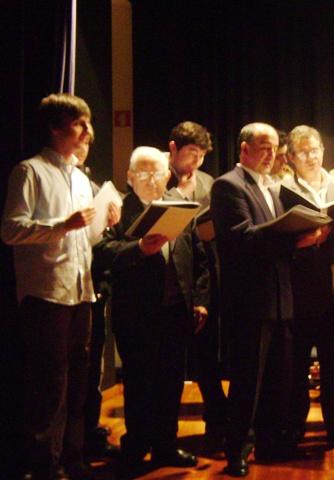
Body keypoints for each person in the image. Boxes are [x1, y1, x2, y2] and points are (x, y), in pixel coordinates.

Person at [211, 123, 326, 477]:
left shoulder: (271, 189)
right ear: (243, 149)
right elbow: (240, 239)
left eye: (275, 148)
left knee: (280, 377)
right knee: (248, 380)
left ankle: (273, 443)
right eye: (263, 147)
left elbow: (271, 240)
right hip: (250, 302)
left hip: (279, 297)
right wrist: (294, 239)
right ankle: (237, 451)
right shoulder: (228, 185)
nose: (271, 154)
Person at [95, 147, 209, 473]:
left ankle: (166, 447)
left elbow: (198, 258)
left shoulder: (181, 206)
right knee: (140, 385)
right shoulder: (119, 209)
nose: (149, 178)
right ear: (130, 177)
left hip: (176, 311)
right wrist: (139, 249)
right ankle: (136, 448)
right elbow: (102, 253)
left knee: (171, 383)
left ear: (168, 175)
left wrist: (200, 300)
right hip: (136, 315)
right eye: (141, 172)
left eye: (156, 172)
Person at [2, 93, 97, 480]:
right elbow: (10, 229)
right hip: (47, 294)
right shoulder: (30, 172)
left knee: (77, 381)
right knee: (48, 385)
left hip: (81, 291)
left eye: (88, 123)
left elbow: (83, 240)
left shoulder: (81, 177)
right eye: (79, 123)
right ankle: (44, 463)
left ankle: (71, 457)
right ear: (55, 127)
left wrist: (100, 223)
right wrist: (62, 225)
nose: (88, 131)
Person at [281, 125, 334, 446]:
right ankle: (294, 427)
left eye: (315, 150)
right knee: (297, 362)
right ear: (291, 157)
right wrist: (300, 238)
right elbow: (278, 236)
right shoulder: (284, 189)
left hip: (333, 281)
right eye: (303, 152)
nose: (311, 157)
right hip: (300, 283)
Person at [167, 121, 228, 446]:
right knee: (170, 360)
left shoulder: (208, 183)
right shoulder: (155, 176)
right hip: (168, 279)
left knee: (207, 354)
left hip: (205, 275)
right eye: (192, 154)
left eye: (202, 156)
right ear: (173, 149)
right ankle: (163, 433)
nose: (196, 163)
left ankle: (216, 421)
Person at [73, 125, 122, 459]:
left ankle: (89, 434)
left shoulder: (88, 183)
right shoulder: (36, 173)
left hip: (94, 287)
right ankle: (72, 443)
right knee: (72, 372)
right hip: (65, 289)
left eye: (88, 142)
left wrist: (110, 220)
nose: (84, 148)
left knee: (91, 371)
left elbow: (104, 239)